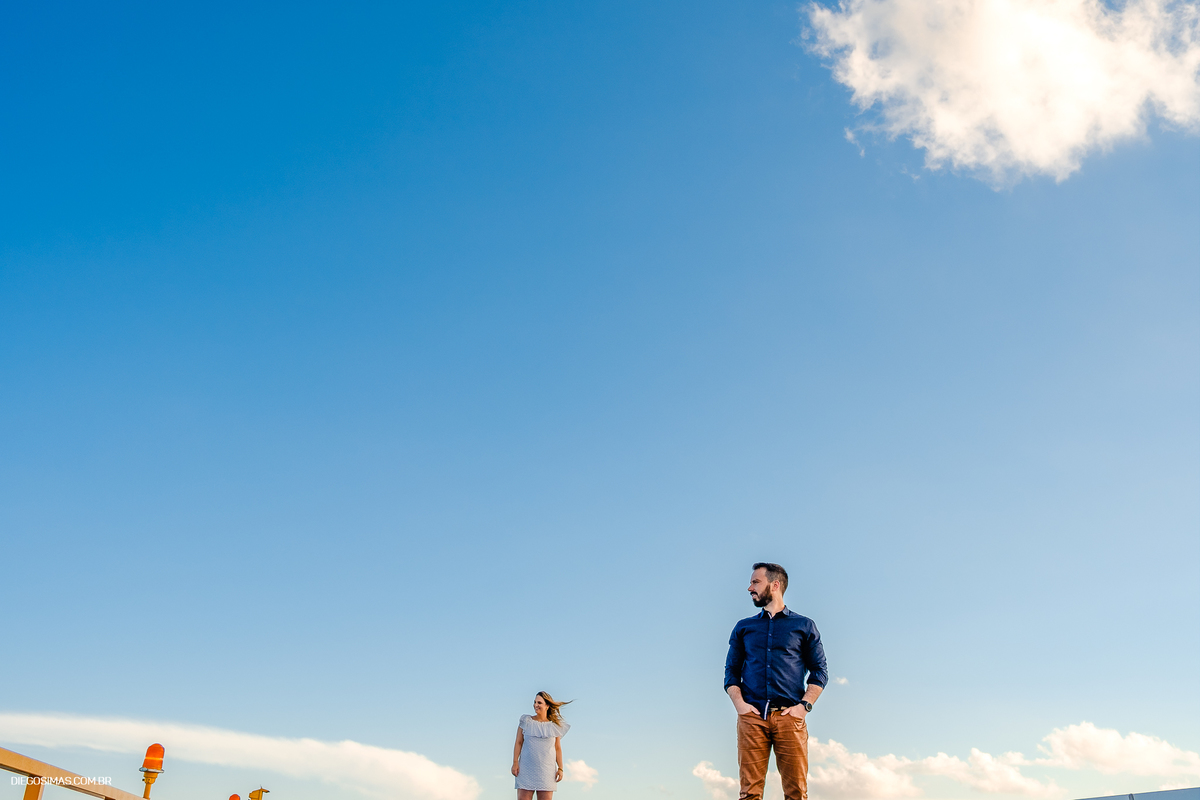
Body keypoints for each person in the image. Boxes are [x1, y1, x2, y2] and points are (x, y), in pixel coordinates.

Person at [724, 562, 828, 800]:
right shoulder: (743, 627)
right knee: (749, 794)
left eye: (755, 582)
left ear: (775, 585)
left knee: (796, 794)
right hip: (752, 718)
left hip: (789, 718)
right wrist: (740, 706)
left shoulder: (804, 625)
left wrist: (804, 707)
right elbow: (731, 671)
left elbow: (820, 671)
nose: (750, 587)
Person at [511, 691, 571, 799]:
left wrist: (560, 768)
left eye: (539, 702)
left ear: (547, 706)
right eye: (535, 702)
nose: (535, 705)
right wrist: (515, 762)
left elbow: (557, 748)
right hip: (526, 769)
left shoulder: (554, 726)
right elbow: (518, 742)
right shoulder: (526, 721)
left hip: (546, 771)